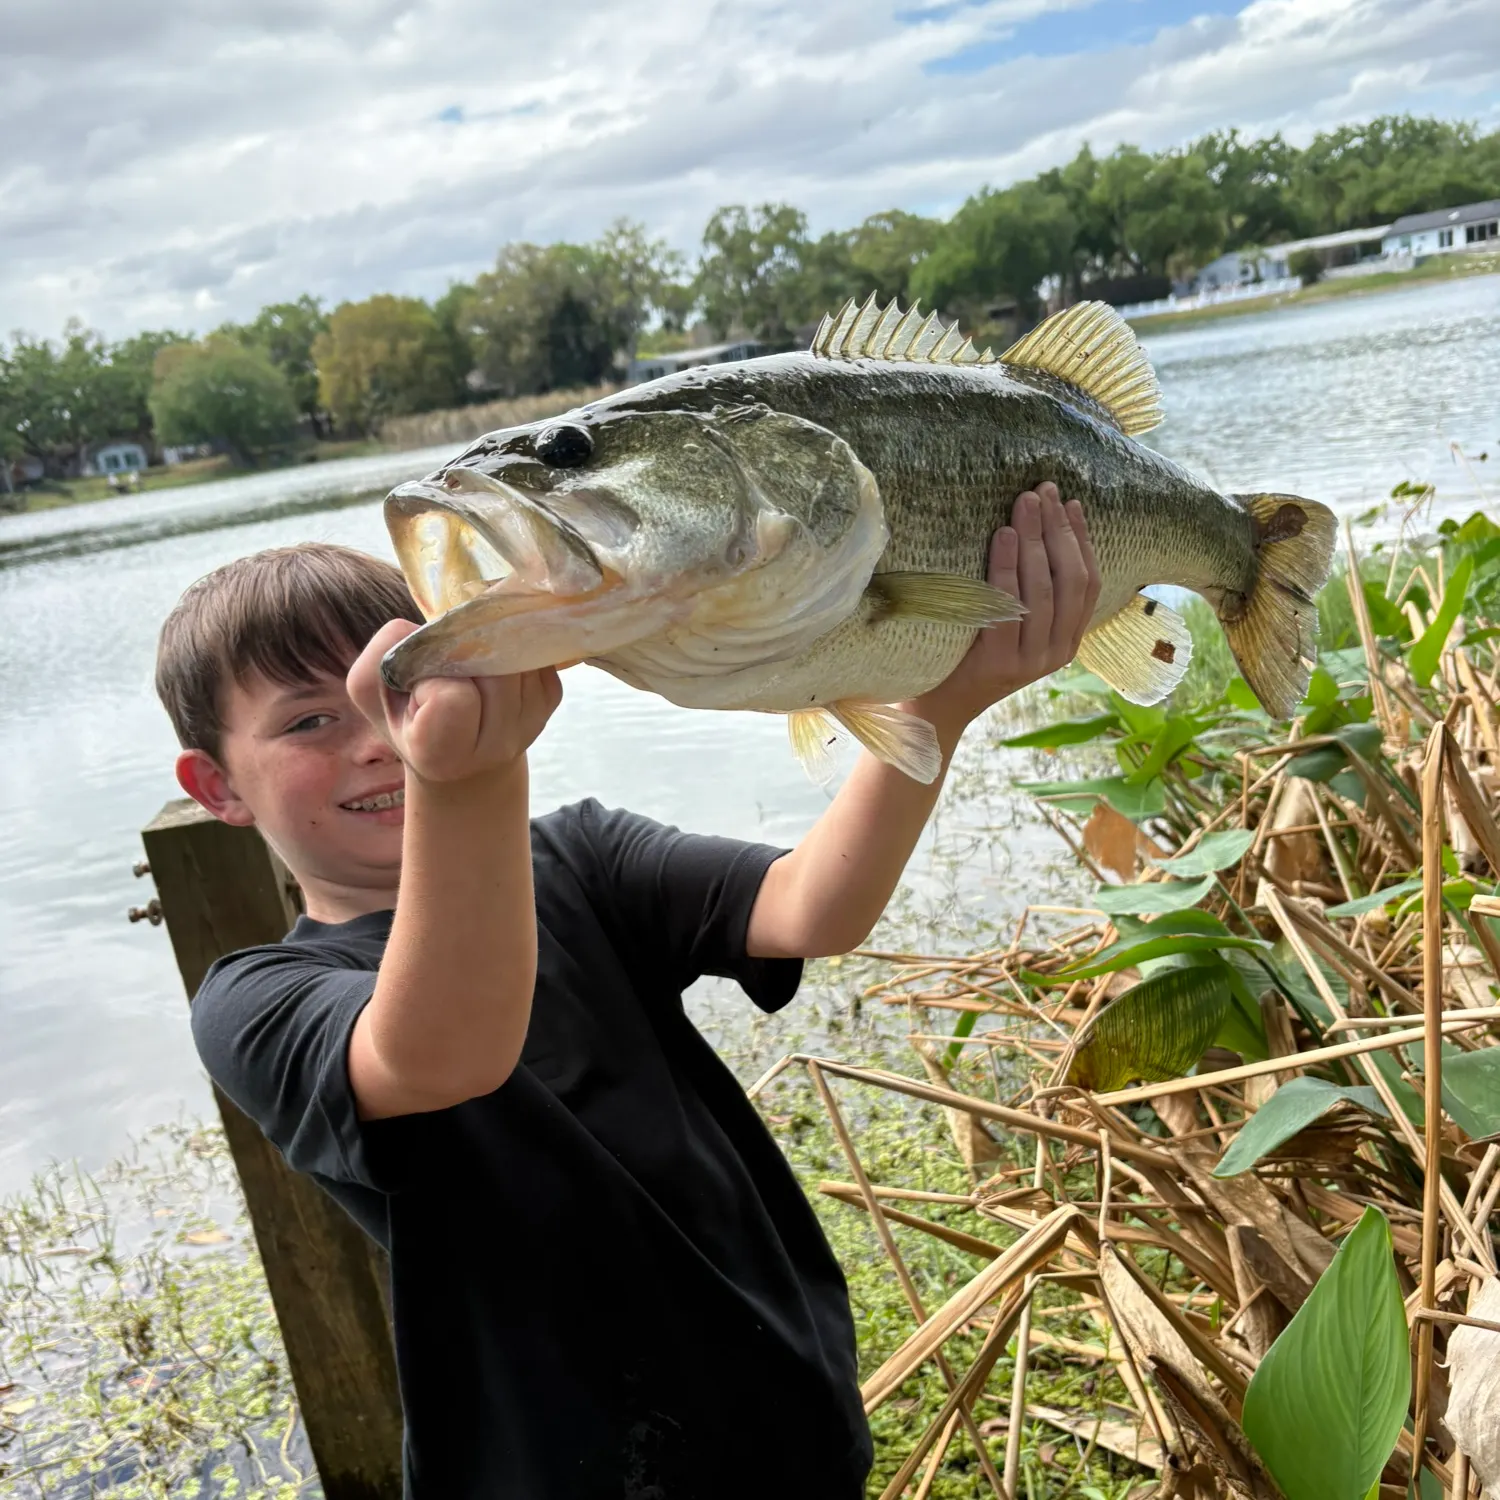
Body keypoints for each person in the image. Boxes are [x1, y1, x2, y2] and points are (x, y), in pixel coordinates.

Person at [155, 482, 1099, 1499]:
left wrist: (942, 703)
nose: (378, 738)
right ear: (217, 787)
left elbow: (812, 907)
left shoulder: (580, 856)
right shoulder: (253, 1002)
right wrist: (465, 779)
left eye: (401, 683)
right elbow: (442, 1051)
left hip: (786, 1421)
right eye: (306, 721)